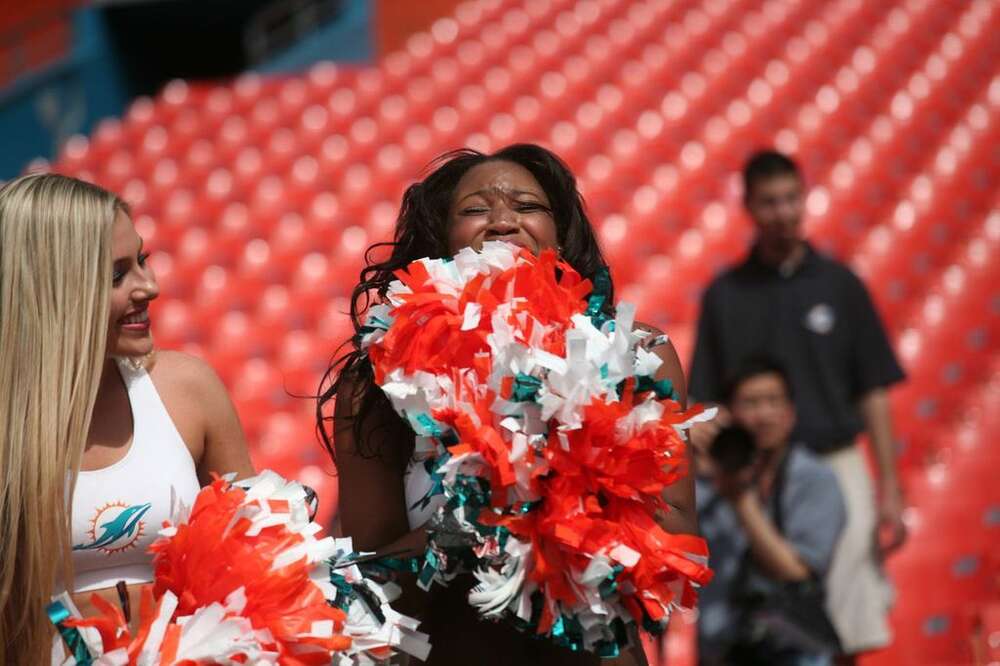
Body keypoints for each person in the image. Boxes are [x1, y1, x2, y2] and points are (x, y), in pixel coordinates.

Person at [319, 144, 698, 665]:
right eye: (475, 210)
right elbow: (371, 585)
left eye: (527, 207)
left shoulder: (638, 355)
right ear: (439, 241)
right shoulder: (377, 383)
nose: (501, 222)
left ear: (561, 235)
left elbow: (676, 534)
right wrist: (463, 529)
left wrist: (566, 505)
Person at [0, 173, 254, 665]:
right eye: (117, 275)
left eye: (142, 261)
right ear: (51, 287)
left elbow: (261, 563)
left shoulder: (188, 389)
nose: (151, 287)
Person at [689, 150, 906, 660]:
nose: (783, 212)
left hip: (831, 459)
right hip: (753, 474)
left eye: (791, 198)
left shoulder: (840, 284)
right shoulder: (725, 293)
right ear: (748, 206)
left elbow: (873, 390)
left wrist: (890, 487)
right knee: (748, 617)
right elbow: (706, 396)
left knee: (843, 621)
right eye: (770, 201)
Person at [695, 358, 845, 666]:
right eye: (750, 403)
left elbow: (794, 571)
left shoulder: (814, 478)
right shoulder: (707, 476)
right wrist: (682, 457)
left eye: (773, 401)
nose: (763, 416)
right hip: (723, 647)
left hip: (795, 646)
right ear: (730, 414)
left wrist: (740, 498)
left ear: (791, 413)